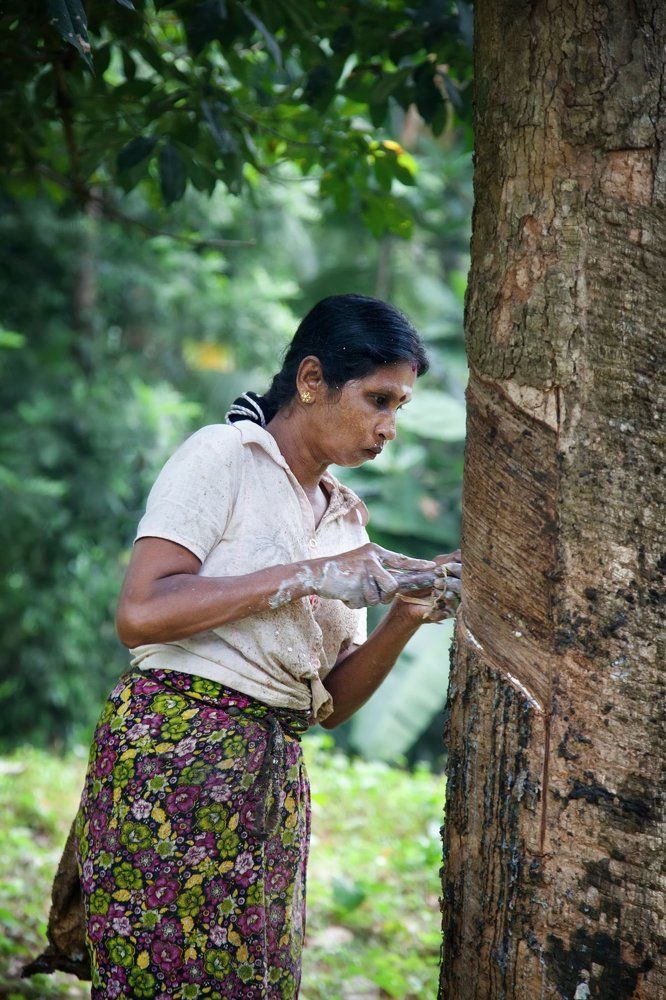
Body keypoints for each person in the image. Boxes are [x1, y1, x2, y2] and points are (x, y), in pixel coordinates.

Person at [43, 294, 462, 999]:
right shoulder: (223, 456)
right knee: (168, 977)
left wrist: (405, 617)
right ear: (310, 381)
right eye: (377, 399)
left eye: (401, 407)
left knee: (249, 980)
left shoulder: (343, 517)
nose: (388, 428)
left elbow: (329, 702)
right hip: (176, 755)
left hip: (268, 775)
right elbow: (140, 612)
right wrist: (307, 577)